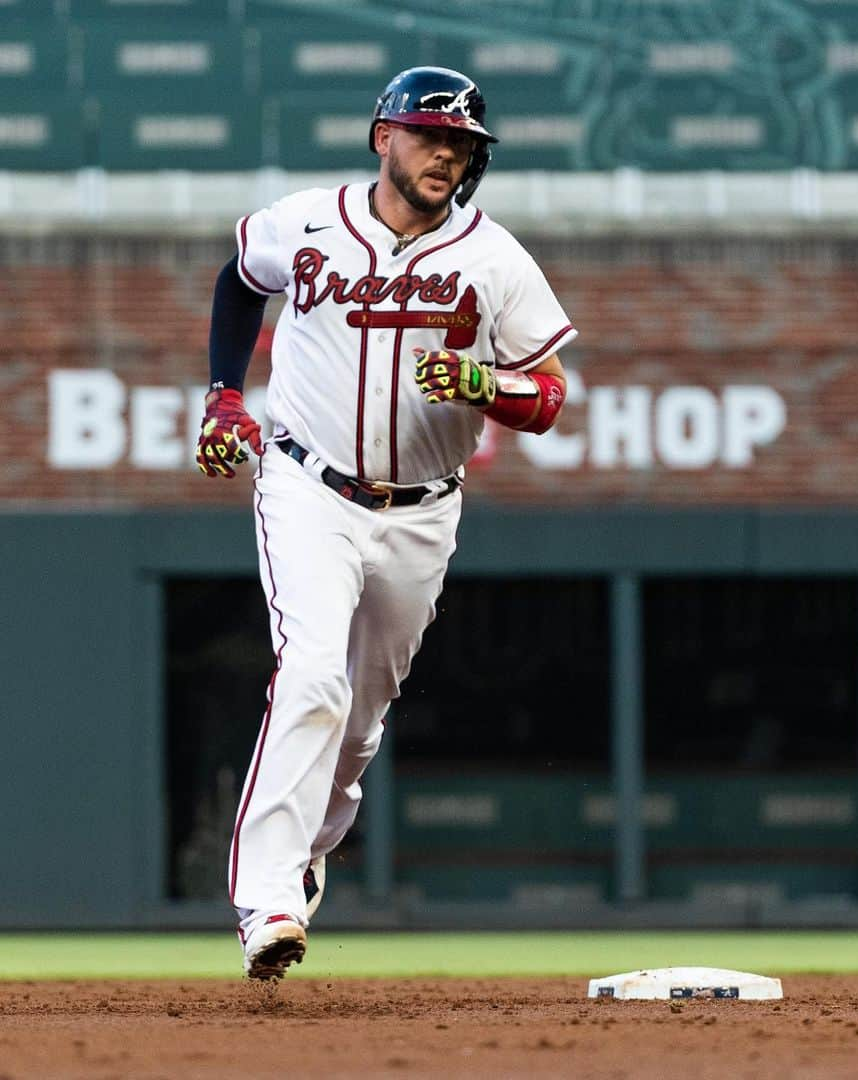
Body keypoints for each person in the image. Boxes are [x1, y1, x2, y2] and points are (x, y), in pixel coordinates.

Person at [194, 66, 576, 979]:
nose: (449, 153)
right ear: (384, 138)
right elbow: (240, 279)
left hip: (421, 512)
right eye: (431, 135)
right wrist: (221, 395)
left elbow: (549, 395)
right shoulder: (305, 222)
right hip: (308, 485)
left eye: (465, 145)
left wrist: (487, 386)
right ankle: (267, 898)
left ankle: (307, 853)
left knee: (359, 723)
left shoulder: (494, 259)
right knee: (313, 674)